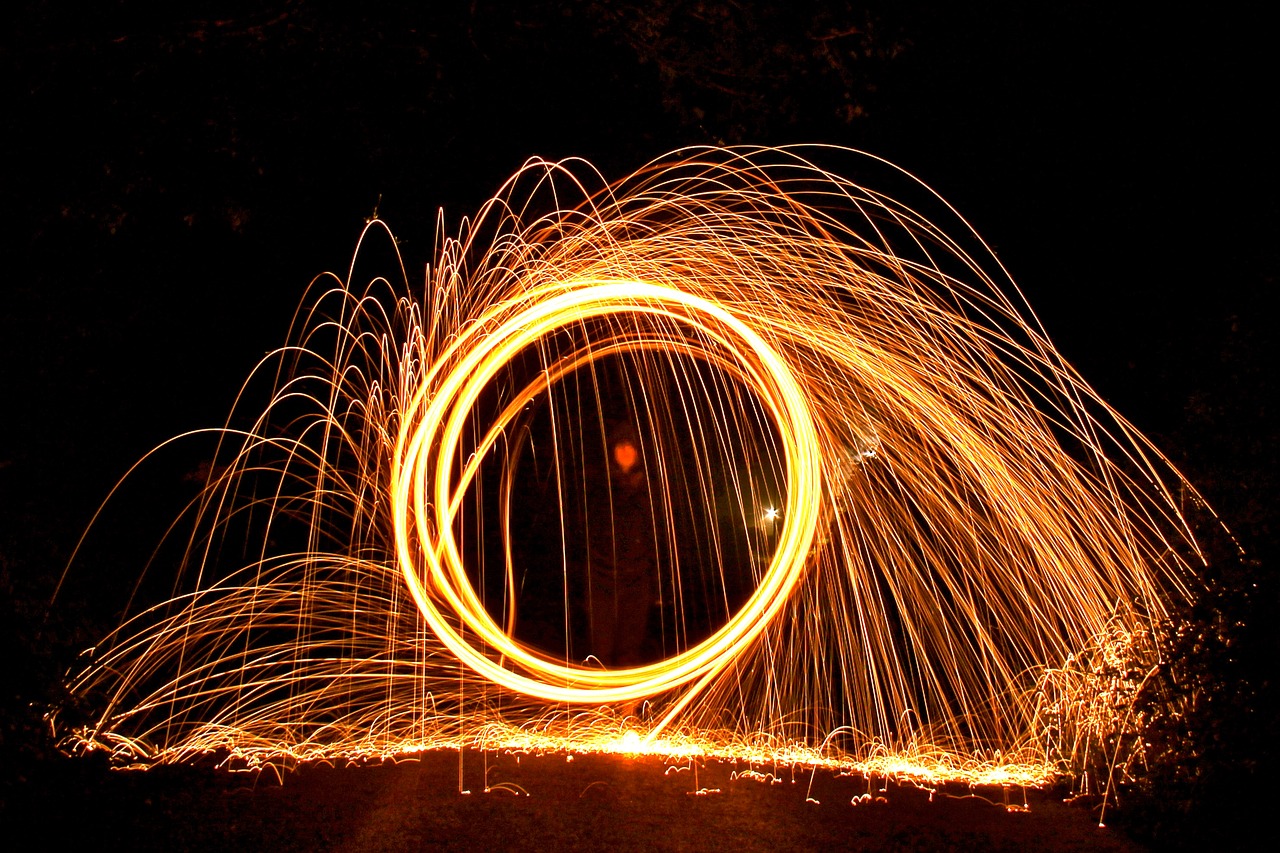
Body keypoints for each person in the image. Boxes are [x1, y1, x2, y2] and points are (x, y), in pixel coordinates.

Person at [582, 421, 659, 667]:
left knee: (630, 646)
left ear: (638, 452)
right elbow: (586, 533)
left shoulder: (648, 488)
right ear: (613, 451)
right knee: (601, 648)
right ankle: (600, 701)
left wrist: (657, 580)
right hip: (603, 580)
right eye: (620, 446)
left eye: (630, 446)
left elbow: (656, 536)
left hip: (637, 580)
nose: (625, 451)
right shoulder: (599, 487)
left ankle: (627, 704)